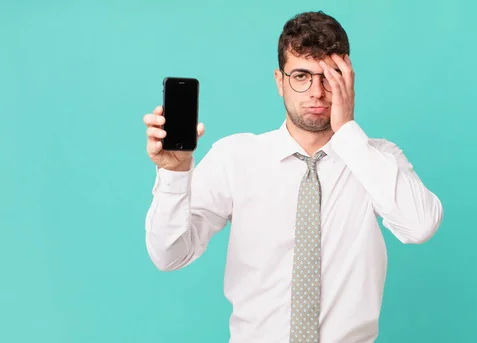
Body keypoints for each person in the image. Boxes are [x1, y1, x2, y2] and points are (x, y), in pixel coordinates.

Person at [143, 10, 443, 343]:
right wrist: (174, 173)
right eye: (301, 76)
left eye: (329, 76)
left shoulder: (376, 158)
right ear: (279, 81)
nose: (316, 91)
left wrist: (347, 134)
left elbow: (420, 226)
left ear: (348, 78)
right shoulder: (236, 157)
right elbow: (169, 255)